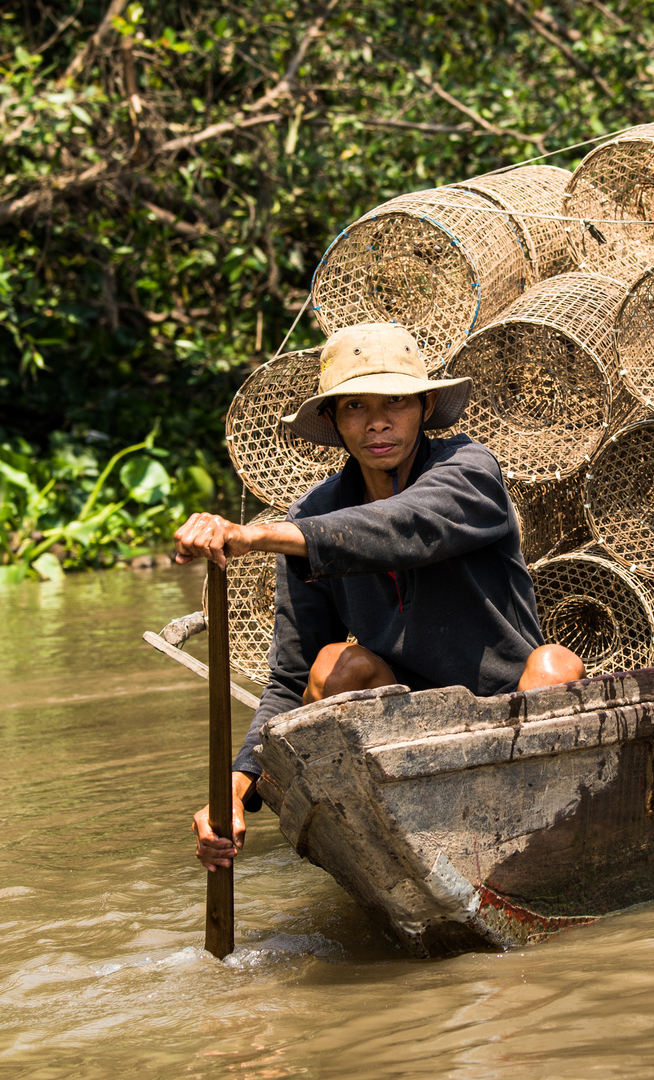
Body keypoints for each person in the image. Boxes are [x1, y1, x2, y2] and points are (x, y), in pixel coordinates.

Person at [173, 323, 585, 872]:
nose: (378, 422)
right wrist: (235, 786)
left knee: (556, 665)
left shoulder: (468, 472)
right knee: (333, 666)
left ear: (425, 406)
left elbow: (404, 526)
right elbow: (291, 681)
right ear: (333, 420)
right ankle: (393, 841)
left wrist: (256, 534)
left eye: (396, 401)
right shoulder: (313, 515)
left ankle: (546, 837)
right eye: (355, 406)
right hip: (405, 740)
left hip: (510, 723)